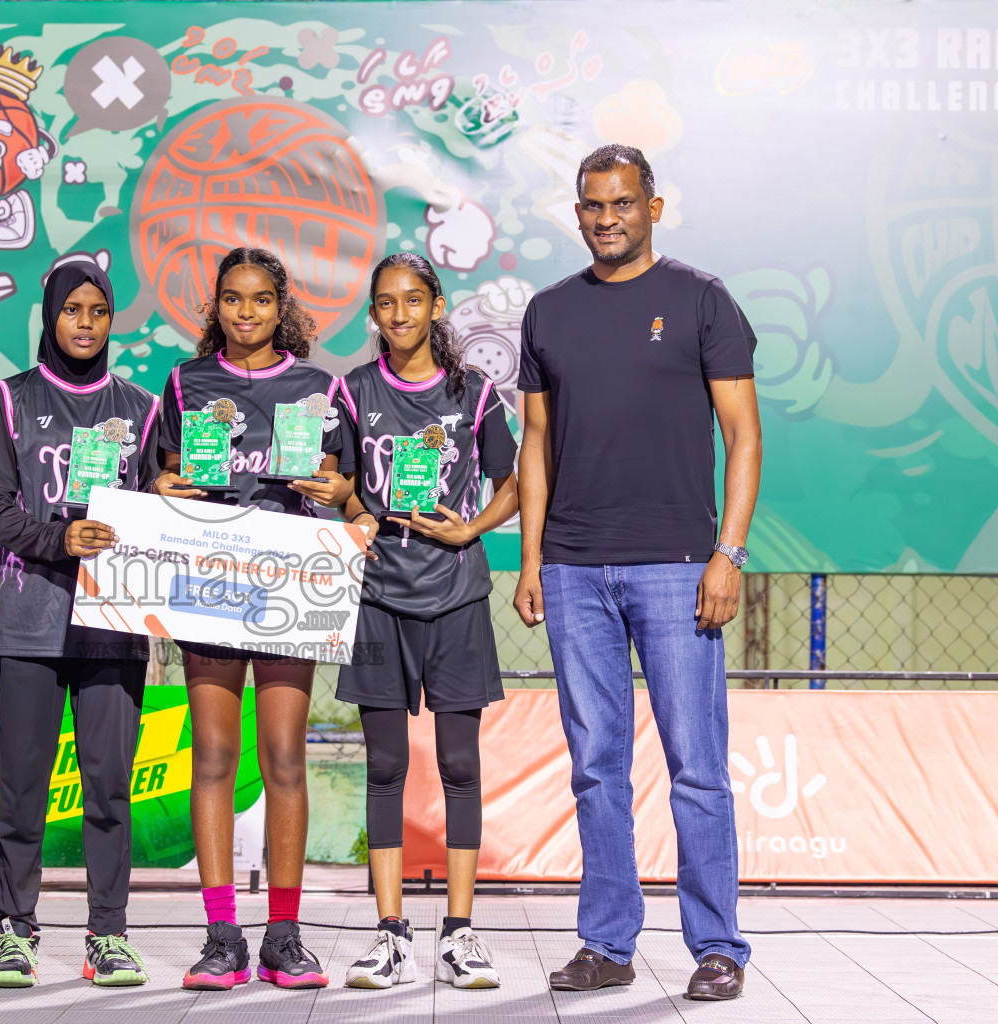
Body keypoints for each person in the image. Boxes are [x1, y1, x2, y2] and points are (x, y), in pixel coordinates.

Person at [512, 145, 761, 1001]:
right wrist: (533, 556)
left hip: (680, 568)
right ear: (576, 213)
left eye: (621, 203)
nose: (605, 218)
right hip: (576, 571)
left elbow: (745, 438)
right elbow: (535, 442)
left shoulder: (701, 300)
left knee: (696, 763)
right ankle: (607, 943)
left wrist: (728, 555)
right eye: (591, 205)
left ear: (654, 207)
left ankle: (718, 945)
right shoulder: (546, 313)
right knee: (596, 765)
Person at [152, 247, 353, 990]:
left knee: (284, 759)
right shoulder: (184, 381)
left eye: (260, 300)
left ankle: (285, 936)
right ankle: (220, 934)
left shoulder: (317, 386)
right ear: (216, 308)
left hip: (288, 582)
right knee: (211, 758)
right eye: (232, 300)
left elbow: (345, 484)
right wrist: (169, 482)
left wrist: (334, 491)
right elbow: (163, 478)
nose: (246, 313)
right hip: (207, 580)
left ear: (281, 305)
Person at [334, 253, 519, 991]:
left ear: (436, 305)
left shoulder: (475, 394)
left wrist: (469, 529)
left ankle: (461, 933)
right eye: (386, 303)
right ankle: (388, 935)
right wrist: (352, 511)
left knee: (459, 767)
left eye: (414, 300)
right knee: (384, 768)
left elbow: (514, 482)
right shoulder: (352, 392)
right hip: (378, 600)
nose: (401, 314)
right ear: (373, 315)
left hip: (455, 600)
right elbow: (340, 485)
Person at [0, 258, 158, 988]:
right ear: (50, 315)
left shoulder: (140, 407)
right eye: (72, 310)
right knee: (21, 786)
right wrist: (59, 540)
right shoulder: (12, 400)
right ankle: (15, 931)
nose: (85, 323)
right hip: (28, 623)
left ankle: (107, 935)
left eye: (99, 311)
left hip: (113, 627)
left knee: (110, 787)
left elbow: (155, 512)